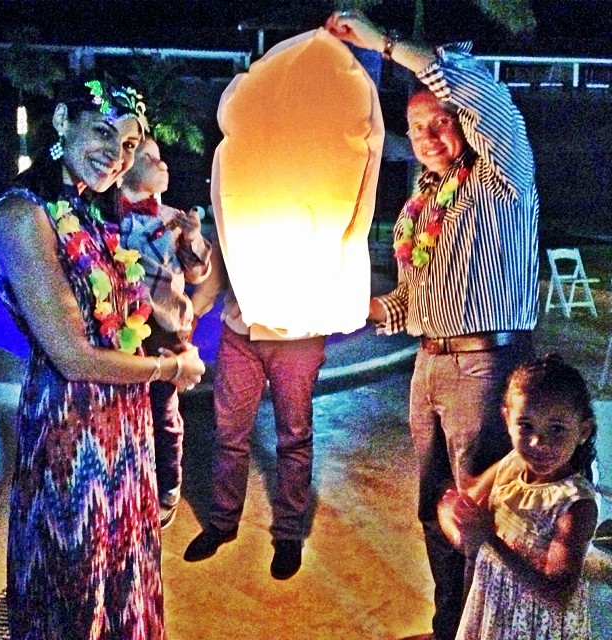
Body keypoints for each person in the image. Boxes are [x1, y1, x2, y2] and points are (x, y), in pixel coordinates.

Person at [327, 12, 539, 640]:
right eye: (416, 127)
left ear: (465, 123)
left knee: (478, 510)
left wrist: (383, 45)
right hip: (429, 364)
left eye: (439, 121)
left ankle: (484, 629)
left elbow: (475, 90)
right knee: (434, 507)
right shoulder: (420, 205)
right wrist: (348, 305)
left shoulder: (501, 177)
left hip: (486, 364)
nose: (426, 136)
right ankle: (449, 624)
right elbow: (411, 300)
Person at [0, 76, 205, 638]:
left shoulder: (89, 212)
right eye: (104, 132)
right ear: (63, 120)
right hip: (70, 429)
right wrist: (171, 369)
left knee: (121, 576)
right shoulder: (21, 214)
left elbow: (120, 318)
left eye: (128, 143)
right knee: (75, 579)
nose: (117, 154)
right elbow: (74, 357)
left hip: (124, 425)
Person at [183, 237, 326, 580]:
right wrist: (190, 317)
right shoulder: (242, 201)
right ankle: (222, 522)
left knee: (294, 436)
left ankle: (289, 533)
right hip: (240, 332)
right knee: (228, 433)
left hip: (299, 336)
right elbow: (223, 255)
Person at [438, 354, 598, 639]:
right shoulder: (512, 463)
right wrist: (454, 512)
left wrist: (489, 538)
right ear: (507, 419)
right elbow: (468, 505)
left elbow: (558, 594)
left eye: (557, 428)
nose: (538, 442)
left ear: (583, 431)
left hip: (536, 625)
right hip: (495, 605)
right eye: (526, 425)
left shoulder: (575, 504)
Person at [119, 135, 212, 529]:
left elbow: (197, 273)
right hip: (120, 329)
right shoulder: (107, 214)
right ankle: (128, 484)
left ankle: (168, 485)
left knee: (163, 410)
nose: (162, 164)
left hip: (165, 329)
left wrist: (192, 237)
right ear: (125, 165)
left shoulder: (173, 218)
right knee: (123, 410)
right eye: (149, 157)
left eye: (160, 157)